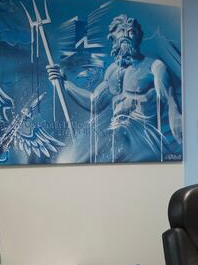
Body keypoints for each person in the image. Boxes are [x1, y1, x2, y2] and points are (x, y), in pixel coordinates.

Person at [46, 14, 182, 162]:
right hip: (116, 136)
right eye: (121, 31)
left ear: (139, 38)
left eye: (131, 32)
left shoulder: (155, 67)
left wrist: (181, 141)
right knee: (86, 147)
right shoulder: (112, 72)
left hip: (143, 138)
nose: (126, 35)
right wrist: (64, 84)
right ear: (113, 38)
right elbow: (94, 102)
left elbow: (171, 105)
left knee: (105, 142)